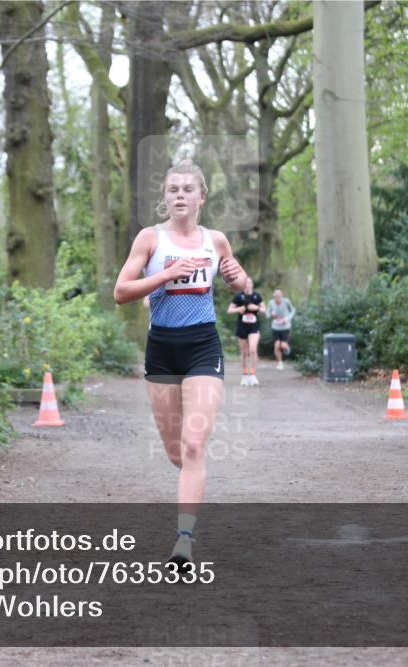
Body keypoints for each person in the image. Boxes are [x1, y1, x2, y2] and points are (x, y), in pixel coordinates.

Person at [113, 160, 247, 570]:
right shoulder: (150, 239)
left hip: (203, 345)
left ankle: (183, 542)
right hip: (161, 349)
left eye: (188, 189)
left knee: (193, 445)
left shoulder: (216, 241)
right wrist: (167, 274)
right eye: (173, 190)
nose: (180, 196)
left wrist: (238, 280)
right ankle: (189, 479)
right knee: (177, 453)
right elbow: (121, 291)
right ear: (165, 197)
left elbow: (241, 283)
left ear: (202, 196)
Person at [227, 277, 264, 386]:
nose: (248, 285)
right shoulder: (239, 296)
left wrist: (256, 308)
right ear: (244, 285)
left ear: (252, 285)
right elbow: (229, 310)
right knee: (244, 353)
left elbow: (264, 310)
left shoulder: (257, 296)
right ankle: (244, 376)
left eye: (249, 283)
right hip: (242, 326)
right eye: (246, 283)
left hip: (254, 327)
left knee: (252, 350)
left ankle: (252, 375)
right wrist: (239, 309)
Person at [266, 289, 295, 370]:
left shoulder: (286, 301)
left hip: (285, 327)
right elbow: (267, 314)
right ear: (274, 295)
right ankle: (280, 362)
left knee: (282, 345)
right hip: (275, 327)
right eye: (276, 295)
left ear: (282, 295)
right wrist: (271, 314)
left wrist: (287, 318)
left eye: (279, 295)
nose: (277, 297)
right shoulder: (271, 302)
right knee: (277, 345)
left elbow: (293, 311)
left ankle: (286, 347)